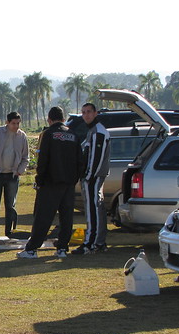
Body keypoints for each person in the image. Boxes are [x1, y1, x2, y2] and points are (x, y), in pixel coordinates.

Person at [17, 106, 83, 259]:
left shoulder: (48, 134)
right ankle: (62, 249)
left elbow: (43, 159)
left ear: (49, 119)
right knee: (66, 217)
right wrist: (74, 179)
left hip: (51, 182)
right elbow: (80, 160)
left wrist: (40, 180)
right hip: (69, 183)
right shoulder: (73, 134)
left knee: (43, 217)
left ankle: (32, 249)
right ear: (64, 119)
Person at [0, 112, 29, 247]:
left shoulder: (22, 136)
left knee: (11, 206)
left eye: (18, 123)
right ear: (7, 122)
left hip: (12, 176)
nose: (16, 126)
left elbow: (26, 157)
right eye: (13, 123)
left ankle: (10, 232)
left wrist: (20, 170)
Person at [71, 102, 111, 255]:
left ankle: (90, 243)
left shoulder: (98, 132)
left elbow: (96, 158)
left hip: (93, 179)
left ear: (95, 113)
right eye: (83, 112)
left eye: (89, 112)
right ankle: (98, 242)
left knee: (92, 210)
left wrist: (88, 176)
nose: (86, 115)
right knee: (95, 209)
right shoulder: (93, 131)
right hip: (92, 178)